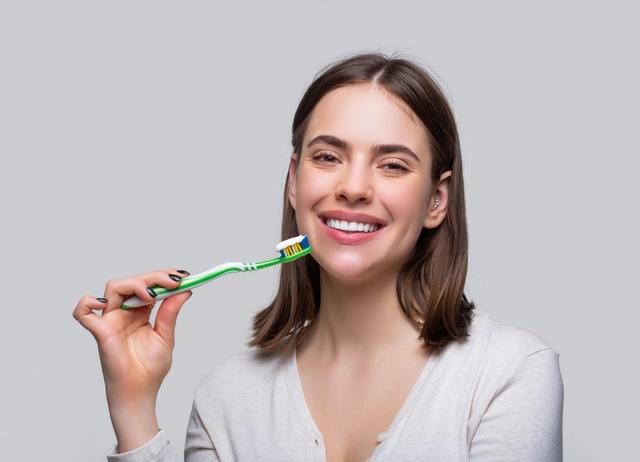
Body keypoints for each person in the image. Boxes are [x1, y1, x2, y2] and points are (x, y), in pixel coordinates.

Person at [73, 51, 564, 461]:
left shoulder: (508, 373)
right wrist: (133, 407)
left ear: (437, 200)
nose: (352, 187)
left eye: (392, 165)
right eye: (327, 157)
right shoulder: (227, 399)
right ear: (294, 181)